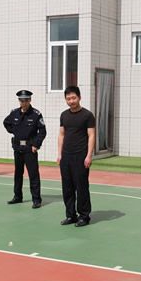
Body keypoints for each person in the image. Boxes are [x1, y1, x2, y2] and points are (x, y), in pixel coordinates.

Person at [57, 86, 96, 227]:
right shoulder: (64, 115)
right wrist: (59, 154)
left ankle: (84, 216)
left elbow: (91, 136)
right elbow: (61, 134)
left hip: (81, 156)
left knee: (81, 187)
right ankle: (70, 215)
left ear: (79, 97)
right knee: (67, 187)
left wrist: (89, 156)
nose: (71, 101)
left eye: (73, 98)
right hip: (66, 156)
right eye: (68, 99)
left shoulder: (87, 115)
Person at [3, 90, 46, 209]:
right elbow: (6, 123)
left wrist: (36, 144)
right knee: (18, 173)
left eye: (26, 100)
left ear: (30, 100)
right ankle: (17, 196)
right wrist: (14, 131)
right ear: (19, 101)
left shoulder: (36, 114)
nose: (24, 103)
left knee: (33, 174)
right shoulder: (14, 113)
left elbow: (42, 131)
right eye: (22, 100)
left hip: (29, 148)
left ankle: (36, 199)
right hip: (17, 148)